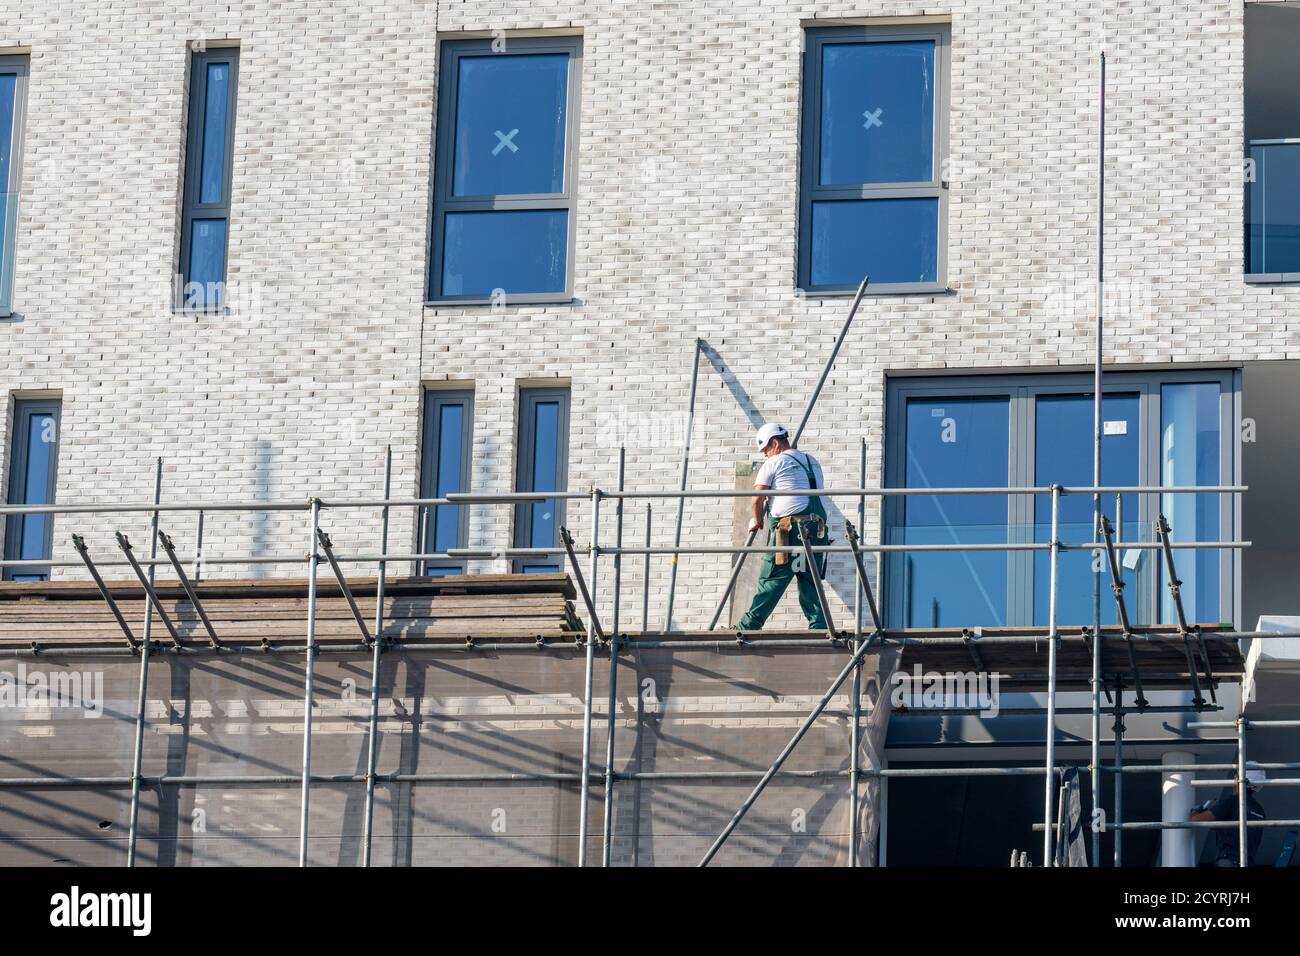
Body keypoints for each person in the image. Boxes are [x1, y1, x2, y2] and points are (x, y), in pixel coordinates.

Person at [734, 423, 830, 631]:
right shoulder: (812, 462)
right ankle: (820, 626)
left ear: (775, 444)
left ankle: (747, 626)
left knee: (772, 578)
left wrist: (757, 520)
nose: (765, 456)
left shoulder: (774, 462)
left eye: (765, 450)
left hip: (789, 529)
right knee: (810, 579)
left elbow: (756, 499)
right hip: (817, 529)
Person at [1189, 768, 1267, 866]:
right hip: (1247, 862)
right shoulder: (1259, 810)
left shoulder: (1233, 801)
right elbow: (1232, 828)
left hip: (1228, 861)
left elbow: (1196, 819)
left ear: (1239, 780)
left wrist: (1195, 812)